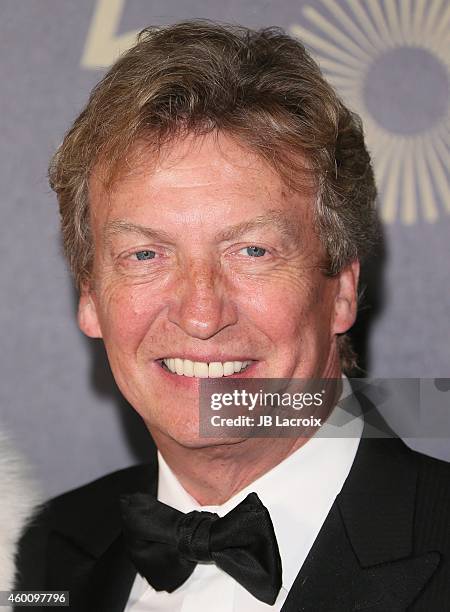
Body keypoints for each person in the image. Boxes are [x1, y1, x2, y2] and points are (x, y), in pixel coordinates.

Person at [15, 20, 449, 611]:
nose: (200, 313)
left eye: (252, 251)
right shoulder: (42, 550)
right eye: (145, 254)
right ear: (90, 296)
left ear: (342, 287)